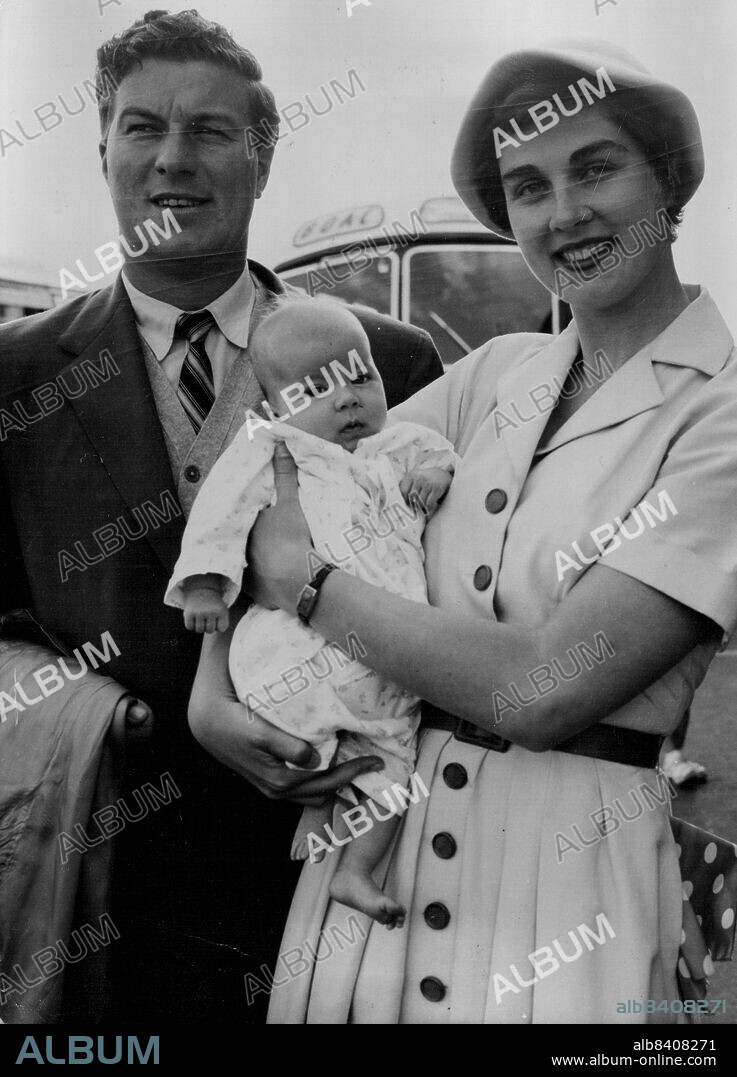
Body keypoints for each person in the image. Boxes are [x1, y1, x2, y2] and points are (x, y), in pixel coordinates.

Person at [195, 40, 737, 1022]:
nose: (561, 213)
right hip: (372, 853)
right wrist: (209, 690)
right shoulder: (493, 375)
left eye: (596, 166)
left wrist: (307, 586)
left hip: (564, 877)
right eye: (526, 186)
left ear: (670, 177)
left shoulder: (721, 414)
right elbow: (296, 477)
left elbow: (541, 691)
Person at [0, 10, 442, 1022]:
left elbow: (463, 586)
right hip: (110, 887)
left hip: (351, 867)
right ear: (101, 148)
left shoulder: (396, 360)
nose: (172, 159)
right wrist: (106, 716)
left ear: (263, 154)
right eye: (143, 127)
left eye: (209, 130)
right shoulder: (15, 377)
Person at [164, 296, 456, 926]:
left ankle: (354, 872)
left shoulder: (399, 441)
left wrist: (435, 474)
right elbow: (223, 511)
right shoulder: (274, 449)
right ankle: (319, 804)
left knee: (390, 771)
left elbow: (440, 455)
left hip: (391, 657)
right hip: (299, 644)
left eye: (361, 375)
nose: (348, 398)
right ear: (274, 409)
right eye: (318, 388)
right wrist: (207, 584)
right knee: (303, 726)